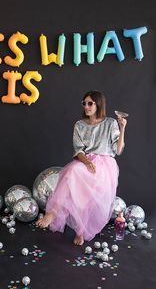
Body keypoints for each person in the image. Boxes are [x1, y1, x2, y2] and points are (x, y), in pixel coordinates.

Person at [36, 90, 127, 245]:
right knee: (72, 172)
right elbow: (78, 150)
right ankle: (54, 213)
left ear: (98, 104)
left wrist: (122, 127)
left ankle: (81, 231)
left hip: (105, 165)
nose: (86, 106)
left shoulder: (110, 123)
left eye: (90, 103)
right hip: (86, 161)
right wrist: (87, 162)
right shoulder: (79, 125)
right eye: (84, 103)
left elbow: (118, 150)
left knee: (88, 195)